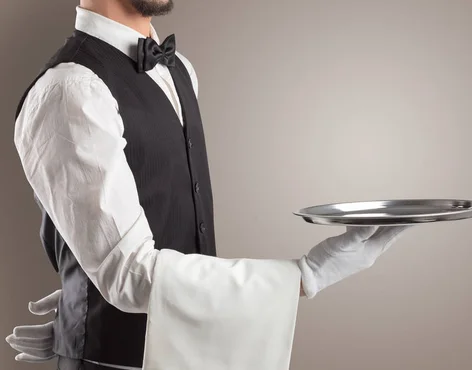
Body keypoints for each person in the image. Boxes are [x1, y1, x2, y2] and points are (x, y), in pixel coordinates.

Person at [6, 1, 410, 369]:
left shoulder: (178, 68)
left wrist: (85, 288)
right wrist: (307, 275)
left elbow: (149, 220)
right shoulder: (70, 89)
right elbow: (129, 273)